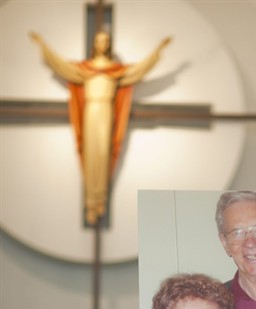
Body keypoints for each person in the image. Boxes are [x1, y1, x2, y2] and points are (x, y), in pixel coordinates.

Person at [29, 30, 171, 225]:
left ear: (109, 44)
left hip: (106, 111)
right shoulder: (84, 69)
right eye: (99, 40)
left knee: (103, 154)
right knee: (90, 154)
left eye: (105, 40)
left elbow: (139, 70)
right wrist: (43, 45)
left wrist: (158, 51)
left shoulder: (116, 70)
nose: (102, 44)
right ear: (94, 44)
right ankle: (90, 202)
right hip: (90, 110)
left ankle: (100, 199)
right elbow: (61, 65)